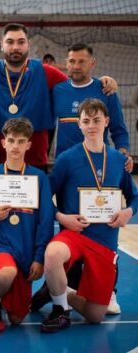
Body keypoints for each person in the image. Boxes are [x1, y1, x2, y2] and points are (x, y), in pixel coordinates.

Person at [41, 99, 137, 333]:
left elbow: (135, 197)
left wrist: (128, 211)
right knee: (53, 254)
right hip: (74, 234)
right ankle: (60, 310)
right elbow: (44, 197)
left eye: (96, 120)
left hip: (105, 241)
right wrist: (62, 217)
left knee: (95, 315)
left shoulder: (119, 161)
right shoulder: (66, 159)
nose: (91, 125)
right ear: (79, 125)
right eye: (86, 121)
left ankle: (59, 292)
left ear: (107, 121)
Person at [0, 23, 116, 170]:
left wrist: (102, 82)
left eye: (21, 42)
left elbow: (77, 85)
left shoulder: (46, 72)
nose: (15, 47)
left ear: (28, 44)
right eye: (10, 42)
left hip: (36, 162)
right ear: (2, 44)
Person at [0, 118, 54, 331]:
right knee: (7, 271)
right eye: (11, 140)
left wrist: (39, 257)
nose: (15, 146)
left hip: (25, 251)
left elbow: (45, 222)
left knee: (17, 318)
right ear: (3, 143)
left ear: (29, 145)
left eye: (21, 141)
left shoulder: (39, 178)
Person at [53, 43, 132, 171]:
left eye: (82, 62)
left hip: (98, 165)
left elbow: (119, 129)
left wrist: (123, 152)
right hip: (65, 166)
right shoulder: (57, 91)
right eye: (72, 61)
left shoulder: (106, 90)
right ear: (66, 63)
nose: (76, 66)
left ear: (92, 63)